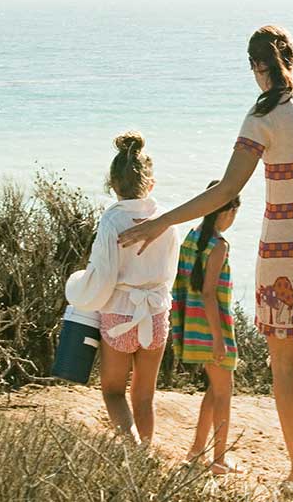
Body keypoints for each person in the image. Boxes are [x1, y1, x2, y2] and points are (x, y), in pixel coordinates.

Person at [120, 25, 293, 499]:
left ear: (257, 68)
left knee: (283, 366)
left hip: (284, 260)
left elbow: (227, 191)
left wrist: (158, 223)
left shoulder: (261, 117)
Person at [64, 132, 182, 446]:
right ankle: (145, 452)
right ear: (151, 184)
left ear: (112, 185)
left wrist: (76, 288)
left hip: (118, 317)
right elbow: (170, 275)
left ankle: (130, 449)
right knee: (144, 397)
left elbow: (102, 278)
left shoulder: (111, 222)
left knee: (113, 392)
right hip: (156, 315)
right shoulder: (167, 221)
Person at [172, 180, 243, 476]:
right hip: (212, 328)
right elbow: (208, 293)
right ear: (228, 211)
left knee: (215, 389)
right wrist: (219, 338)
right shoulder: (219, 246)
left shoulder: (193, 235)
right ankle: (218, 459)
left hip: (192, 326)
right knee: (225, 392)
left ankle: (196, 450)